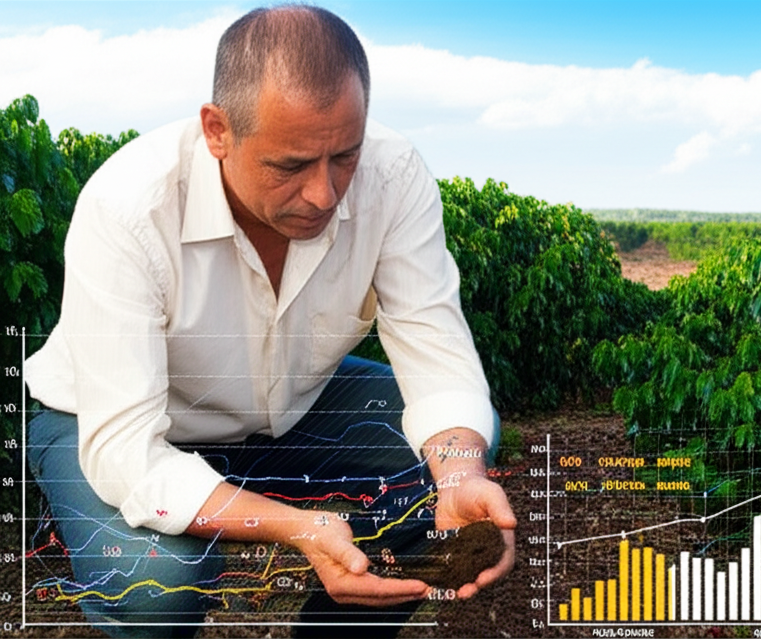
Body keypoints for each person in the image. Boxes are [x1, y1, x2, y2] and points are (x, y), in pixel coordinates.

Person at [23, 5, 515, 638]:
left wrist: (461, 473)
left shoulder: (394, 176)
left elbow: (437, 355)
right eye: (290, 166)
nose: (324, 194)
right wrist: (296, 525)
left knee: (456, 446)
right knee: (154, 588)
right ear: (217, 130)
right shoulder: (128, 207)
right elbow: (128, 453)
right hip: (111, 421)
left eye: (345, 157)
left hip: (291, 407)